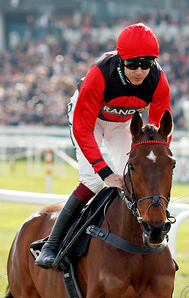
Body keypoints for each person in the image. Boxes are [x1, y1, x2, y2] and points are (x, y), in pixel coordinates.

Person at [34, 23, 171, 268]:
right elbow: (82, 129)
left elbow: (159, 134)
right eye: (132, 64)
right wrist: (105, 172)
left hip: (124, 123)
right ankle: (52, 244)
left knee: (133, 179)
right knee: (95, 181)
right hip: (89, 121)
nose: (139, 71)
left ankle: (147, 238)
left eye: (146, 64)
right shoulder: (101, 73)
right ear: (121, 59)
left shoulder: (158, 80)